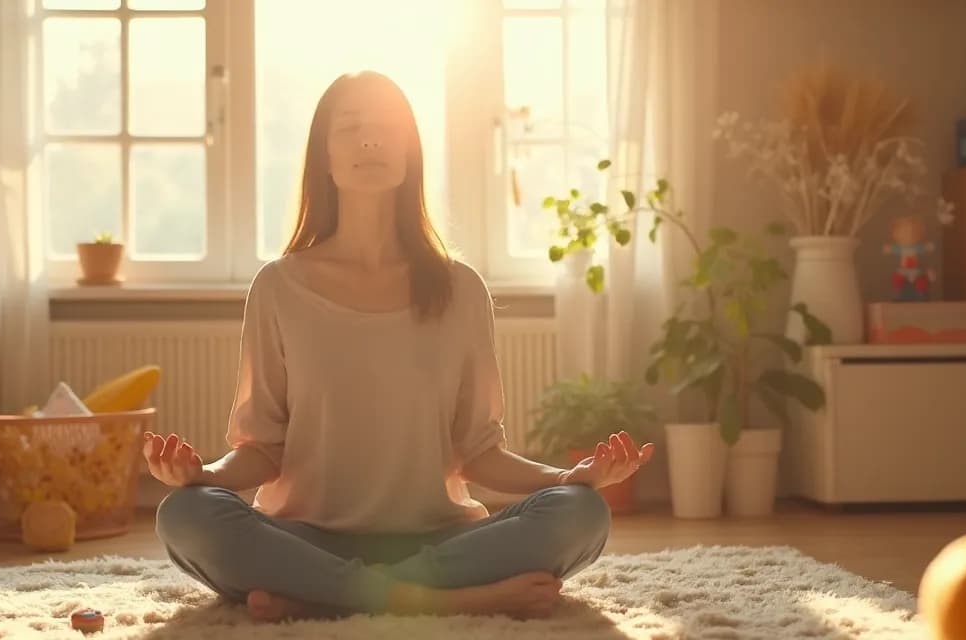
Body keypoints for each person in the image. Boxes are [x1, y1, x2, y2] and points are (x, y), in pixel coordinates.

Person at [143, 70, 656, 623]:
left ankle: (325, 598)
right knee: (186, 515)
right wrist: (203, 478)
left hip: (437, 546)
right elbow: (264, 448)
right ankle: (434, 602)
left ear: (411, 153)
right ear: (324, 157)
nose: (370, 139)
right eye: (351, 127)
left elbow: (479, 450)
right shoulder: (278, 287)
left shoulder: (460, 288)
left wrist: (566, 478)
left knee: (580, 514)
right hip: (305, 541)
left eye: (387, 126)